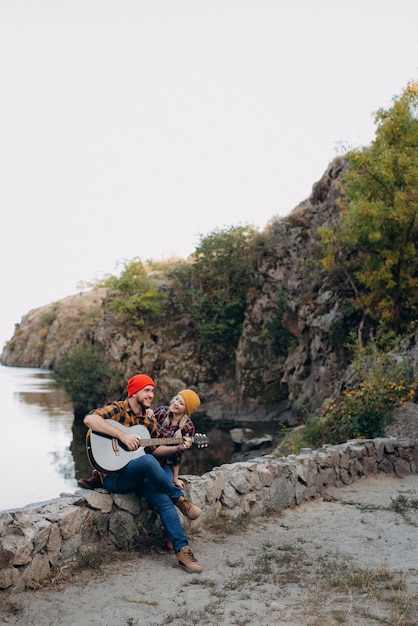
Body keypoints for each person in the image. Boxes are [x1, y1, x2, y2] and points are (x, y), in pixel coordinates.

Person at [82, 374, 203, 574]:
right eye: (147, 390)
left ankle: (182, 552)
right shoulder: (118, 409)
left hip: (137, 474)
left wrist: (177, 447)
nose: (151, 395)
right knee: (148, 462)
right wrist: (122, 435)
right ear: (134, 391)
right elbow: (89, 419)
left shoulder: (148, 420)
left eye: (152, 391)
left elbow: (154, 449)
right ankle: (180, 499)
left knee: (162, 498)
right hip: (115, 477)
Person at [154, 389, 201, 552]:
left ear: (187, 409)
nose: (175, 403)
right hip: (145, 458)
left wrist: (175, 478)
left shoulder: (187, 427)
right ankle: (181, 502)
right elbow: (144, 429)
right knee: (164, 490)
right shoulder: (160, 412)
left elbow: (177, 457)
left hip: (164, 465)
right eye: (175, 399)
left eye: (181, 403)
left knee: (164, 485)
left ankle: (170, 534)